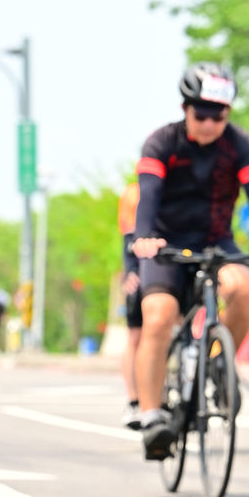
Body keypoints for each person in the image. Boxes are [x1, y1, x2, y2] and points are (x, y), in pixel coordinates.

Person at [132, 62, 249, 460]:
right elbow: (148, 195)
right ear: (185, 109)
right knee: (158, 316)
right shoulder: (161, 142)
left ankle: (219, 365)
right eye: (200, 114)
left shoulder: (241, 145)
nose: (208, 123)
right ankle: (151, 416)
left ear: (227, 114)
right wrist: (144, 236)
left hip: (216, 241)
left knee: (242, 287)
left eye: (217, 116)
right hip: (165, 243)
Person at [117, 180, 143, 430]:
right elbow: (128, 236)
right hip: (140, 265)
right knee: (135, 337)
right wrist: (131, 271)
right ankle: (134, 401)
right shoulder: (134, 193)